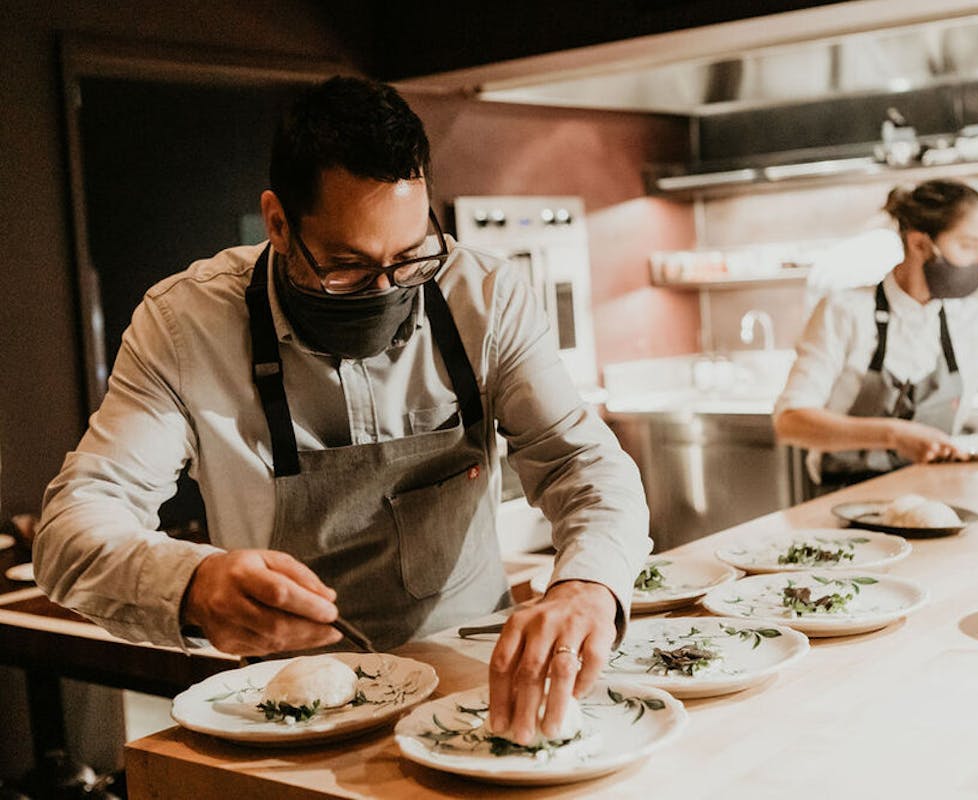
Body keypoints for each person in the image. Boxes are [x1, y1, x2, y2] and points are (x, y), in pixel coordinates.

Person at [34, 76, 650, 746]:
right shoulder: (185, 326)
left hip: (476, 688)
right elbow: (71, 530)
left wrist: (587, 586)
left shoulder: (487, 298)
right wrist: (191, 583)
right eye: (347, 268)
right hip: (293, 717)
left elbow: (585, 464)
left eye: (411, 260)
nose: (384, 290)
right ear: (277, 222)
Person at [774, 179, 978, 495]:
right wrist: (894, 434)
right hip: (842, 506)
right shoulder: (844, 312)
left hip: (937, 501)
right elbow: (791, 421)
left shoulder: (974, 321)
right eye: (967, 245)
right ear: (920, 243)